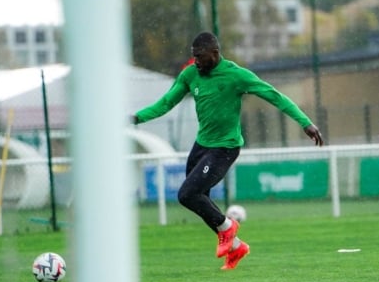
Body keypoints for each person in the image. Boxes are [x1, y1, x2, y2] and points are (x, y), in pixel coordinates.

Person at [133, 31, 324, 269]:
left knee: (187, 194)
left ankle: (229, 228)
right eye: (194, 57)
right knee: (199, 200)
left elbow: (274, 96)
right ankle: (236, 247)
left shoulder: (236, 75)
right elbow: (166, 103)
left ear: (215, 53)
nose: (197, 62)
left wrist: (305, 122)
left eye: (200, 57)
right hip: (201, 146)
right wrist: (135, 118)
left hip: (225, 148)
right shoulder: (191, 74)